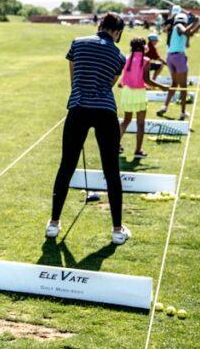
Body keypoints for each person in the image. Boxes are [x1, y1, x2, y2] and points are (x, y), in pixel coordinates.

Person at [47, 13, 131, 245]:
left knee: (66, 166)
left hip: (78, 109)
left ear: (100, 25)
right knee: (111, 170)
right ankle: (117, 230)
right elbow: (110, 84)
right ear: (117, 32)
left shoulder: (77, 43)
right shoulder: (119, 55)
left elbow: (74, 79)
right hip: (105, 111)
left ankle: (53, 224)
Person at [119, 38, 169, 159]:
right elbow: (146, 79)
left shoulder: (127, 58)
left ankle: (115, 145)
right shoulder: (146, 60)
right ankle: (138, 150)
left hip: (127, 93)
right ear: (143, 47)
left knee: (126, 120)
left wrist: (144, 85)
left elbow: (127, 80)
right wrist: (161, 86)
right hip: (139, 94)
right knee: (140, 124)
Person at [157, 13, 200, 120]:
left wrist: (198, 24)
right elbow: (187, 31)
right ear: (184, 21)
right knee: (183, 86)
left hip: (170, 58)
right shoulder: (178, 26)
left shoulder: (175, 28)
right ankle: (182, 112)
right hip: (178, 58)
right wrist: (194, 22)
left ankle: (164, 106)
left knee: (174, 84)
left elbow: (189, 34)